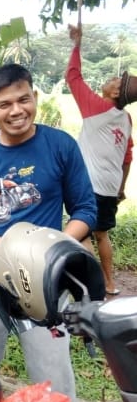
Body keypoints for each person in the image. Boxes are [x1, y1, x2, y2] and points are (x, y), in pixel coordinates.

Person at [0, 63, 97, 402]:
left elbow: (86, 210)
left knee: (52, 368)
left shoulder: (60, 145)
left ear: (35, 97)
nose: (17, 111)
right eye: (5, 104)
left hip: (44, 276)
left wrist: (51, 249)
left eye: (23, 99)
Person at [65, 23, 133, 296]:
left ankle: (92, 286)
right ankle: (109, 283)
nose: (112, 79)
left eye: (116, 80)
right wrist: (121, 188)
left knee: (81, 231)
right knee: (101, 234)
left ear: (115, 93)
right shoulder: (126, 119)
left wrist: (77, 44)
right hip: (110, 185)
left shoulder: (96, 107)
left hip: (89, 182)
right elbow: (127, 157)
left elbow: (73, 77)